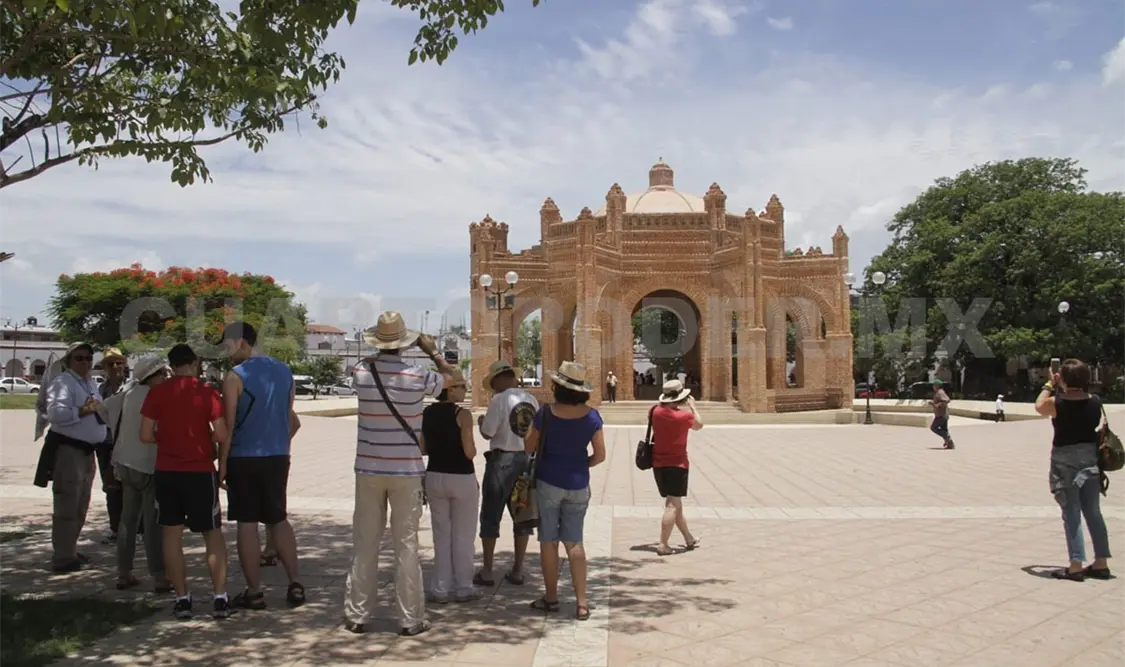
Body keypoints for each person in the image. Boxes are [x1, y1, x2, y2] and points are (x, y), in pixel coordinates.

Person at [343, 311, 454, 636]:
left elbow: (364, 367)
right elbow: (453, 378)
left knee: (365, 543)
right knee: (406, 545)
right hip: (406, 470)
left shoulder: (361, 372)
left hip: (368, 468)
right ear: (405, 344)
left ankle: (357, 614)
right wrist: (432, 351)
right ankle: (409, 618)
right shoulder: (418, 376)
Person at [140, 344, 232, 620]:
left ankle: (182, 597)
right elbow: (222, 434)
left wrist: (166, 439)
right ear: (194, 363)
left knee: (171, 534)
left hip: (167, 470)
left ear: (171, 365)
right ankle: (219, 596)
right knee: (212, 533)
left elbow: (145, 434)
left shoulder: (157, 393)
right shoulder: (207, 392)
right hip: (200, 471)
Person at [220, 321, 305, 609]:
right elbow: (291, 419)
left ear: (241, 342)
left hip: (243, 457)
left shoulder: (235, 376)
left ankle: (254, 591)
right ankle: (295, 583)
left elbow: (229, 426)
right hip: (278, 456)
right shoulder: (284, 371)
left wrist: (221, 464)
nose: (227, 352)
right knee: (278, 518)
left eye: (228, 346)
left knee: (246, 523)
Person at [524, 361, 606, 621]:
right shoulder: (592, 416)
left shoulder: (545, 413)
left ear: (558, 386)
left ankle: (550, 597)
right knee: (575, 541)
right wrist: (582, 463)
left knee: (549, 541)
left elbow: (529, 447)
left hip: (549, 481)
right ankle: (582, 603)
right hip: (579, 483)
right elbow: (600, 455)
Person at [1034, 359, 1112, 581]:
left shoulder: (1056, 403)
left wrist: (1050, 384)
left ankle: (1076, 564)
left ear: (1063, 379)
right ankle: (1101, 563)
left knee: (1071, 513)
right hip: (1090, 460)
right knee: (1093, 512)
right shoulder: (1096, 401)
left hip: (1064, 461)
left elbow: (1039, 405)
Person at [104, 354, 171, 592]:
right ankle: (159, 576)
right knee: (153, 523)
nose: (166, 377)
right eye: (163, 373)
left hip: (124, 462)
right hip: (148, 465)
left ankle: (124, 573)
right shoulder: (159, 397)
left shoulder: (128, 394)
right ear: (152, 377)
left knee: (127, 520)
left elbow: (105, 410)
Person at [474, 360, 538, 588]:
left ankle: (488, 570)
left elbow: (488, 433)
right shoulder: (531, 399)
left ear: (500, 379)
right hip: (525, 460)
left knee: (491, 514)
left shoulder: (499, 400)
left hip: (502, 460)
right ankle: (518, 569)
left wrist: (482, 422)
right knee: (522, 514)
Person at [43, 342, 106, 572]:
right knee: (67, 504)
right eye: (79, 358)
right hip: (69, 451)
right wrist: (83, 410)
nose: (85, 362)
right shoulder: (63, 382)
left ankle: (70, 550)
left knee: (81, 504)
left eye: (88, 358)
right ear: (69, 360)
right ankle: (62, 557)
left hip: (87, 451)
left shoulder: (88, 382)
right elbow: (55, 414)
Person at [420, 369, 480, 604]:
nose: (465, 390)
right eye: (462, 386)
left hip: (435, 474)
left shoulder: (426, 413)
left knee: (441, 535)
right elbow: (469, 451)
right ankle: (464, 586)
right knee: (463, 535)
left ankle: (440, 589)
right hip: (461, 476)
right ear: (450, 389)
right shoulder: (462, 414)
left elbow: (422, 448)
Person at [650, 379, 702, 556]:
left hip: (658, 464)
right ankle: (663, 544)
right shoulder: (683, 416)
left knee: (675, 503)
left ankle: (688, 538)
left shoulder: (654, 411)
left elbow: (661, 409)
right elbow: (699, 425)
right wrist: (693, 407)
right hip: (677, 464)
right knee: (672, 505)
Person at [96, 347, 129, 545]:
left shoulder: (132, 387)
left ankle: (136, 528)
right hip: (106, 443)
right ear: (105, 368)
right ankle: (115, 528)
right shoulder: (100, 390)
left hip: (127, 443)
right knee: (110, 486)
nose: (116, 367)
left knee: (130, 486)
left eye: (119, 363)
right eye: (111, 364)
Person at [929, 379, 954, 449]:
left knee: (933, 427)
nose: (933, 387)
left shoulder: (940, 392)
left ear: (937, 386)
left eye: (934, 385)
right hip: (943, 415)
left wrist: (938, 405)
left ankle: (948, 438)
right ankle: (949, 443)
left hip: (941, 415)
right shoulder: (939, 392)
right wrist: (933, 403)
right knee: (944, 429)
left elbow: (947, 400)